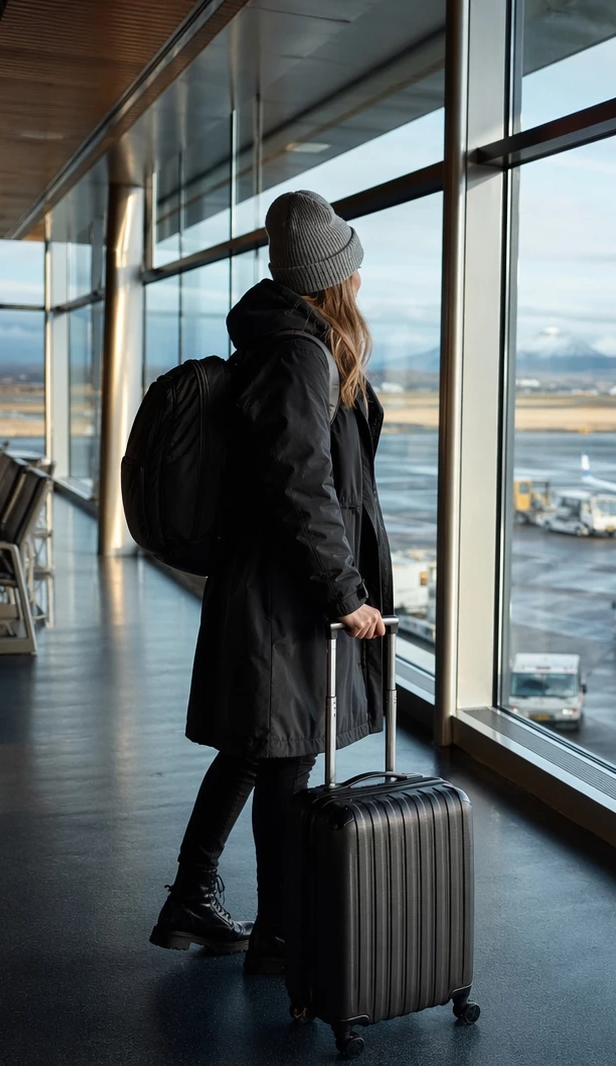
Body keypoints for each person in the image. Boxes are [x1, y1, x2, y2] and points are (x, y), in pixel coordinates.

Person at [149, 190, 393, 976]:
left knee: (256, 750)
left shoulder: (283, 342)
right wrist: (345, 592)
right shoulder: (300, 353)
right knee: (283, 758)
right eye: (353, 269)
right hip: (284, 595)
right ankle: (284, 936)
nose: (361, 282)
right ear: (334, 278)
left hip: (266, 585)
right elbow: (301, 486)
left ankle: (195, 894)